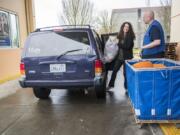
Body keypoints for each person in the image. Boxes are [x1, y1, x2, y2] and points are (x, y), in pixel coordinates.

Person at [108, 22, 135, 90]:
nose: (126, 28)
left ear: (129, 28)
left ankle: (127, 88)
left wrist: (118, 43)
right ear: (122, 27)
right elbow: (115, 44)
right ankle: (110, 85)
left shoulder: (130, 37)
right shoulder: (120, 36)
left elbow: (127, 46)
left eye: (128, 27)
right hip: (119, 57)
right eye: (125, 26)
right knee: (114, 71)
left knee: (125, 73)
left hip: (127, 58)